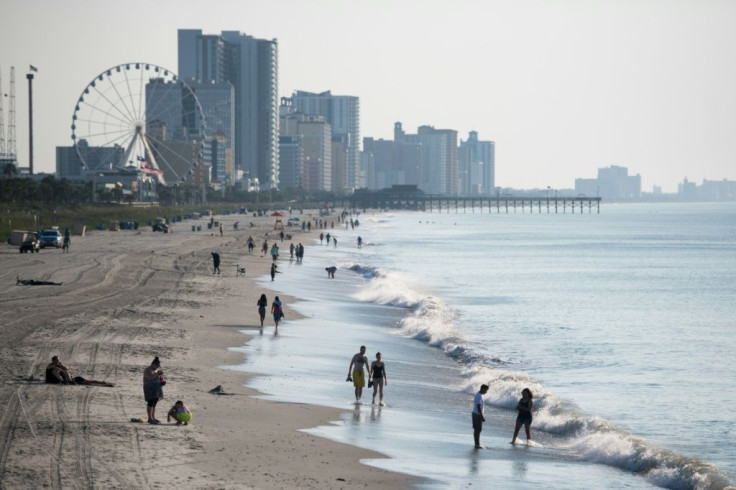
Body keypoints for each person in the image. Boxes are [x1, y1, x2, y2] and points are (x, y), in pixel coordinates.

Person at [143, 357, 164, 424]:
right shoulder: (148, 369)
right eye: (157, 366)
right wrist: (157, 373)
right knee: (150, 402)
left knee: (154, 403)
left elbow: (156, 376)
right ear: (153, 364)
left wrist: (161, 378)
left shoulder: (156, 369)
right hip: (149, 388)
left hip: (156, 388)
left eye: (158, 366)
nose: (157, 367)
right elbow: (151, 376)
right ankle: (150, 418)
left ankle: (153, 417)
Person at [473, 384, 489, 449]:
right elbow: (478, 407)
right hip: (477, 414)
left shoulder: (478, 395)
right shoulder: (479, 396)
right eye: (486, 390)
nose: (486, 392)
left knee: (477, 430)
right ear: (482, 389)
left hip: (475, 413)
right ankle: (477, 444)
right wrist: (482, 416)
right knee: (478, 430)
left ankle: (477, 444)